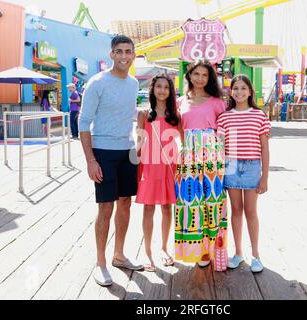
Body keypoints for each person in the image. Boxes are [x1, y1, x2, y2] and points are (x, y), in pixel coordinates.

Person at [78, 35, 143, 287]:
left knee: (125, 203)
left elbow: (126, 112)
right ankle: (101, 263)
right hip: (102, 151)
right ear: (111, 55)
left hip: (126, 151)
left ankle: (119, 255)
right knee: (106, 207)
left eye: (128, 51)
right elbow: (83, 124)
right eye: (119, 51)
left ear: (133, 54)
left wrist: (144, 114)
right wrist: (90, 160)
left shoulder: (134, 83)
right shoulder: (96, 83)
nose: (124, 56)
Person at [175, 59, 228, 270]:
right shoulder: (180, 101)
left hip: (212, 156)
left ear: (210, 78)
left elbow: (224, 131)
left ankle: (214, 249)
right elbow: (178, 129)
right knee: (190, 201)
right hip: (188, 155)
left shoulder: (217, 102)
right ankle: (196, 250)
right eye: (196, 74)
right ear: (189, 75)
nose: (200, 78)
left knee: (212, 202)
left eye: (205, 75)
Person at [217, 75, 270, 273]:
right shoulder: (224, 116)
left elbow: (264, 147)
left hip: (252, 167)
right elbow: (220, 146)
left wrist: (264, 176)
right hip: (229, 166)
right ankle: (238, 253)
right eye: (235, 88)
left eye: (243, 88)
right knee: (236, 210)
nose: (239, 92)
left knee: (250, 211)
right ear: (231, 92)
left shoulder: (259, 115)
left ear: (250, 91)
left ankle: (256, 255)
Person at [135, 74, 180, 272]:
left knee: (167, 208)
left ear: (170, 91)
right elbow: (139, 141)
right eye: (158, 86)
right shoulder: (144, 114)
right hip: (150, 165)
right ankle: (147, 251)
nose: (162, 90)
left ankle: (163, 247)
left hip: (170, 164)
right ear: (153, 89)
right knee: (148, 208)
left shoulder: (175, 116)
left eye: (166, 87)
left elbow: (185, 141)